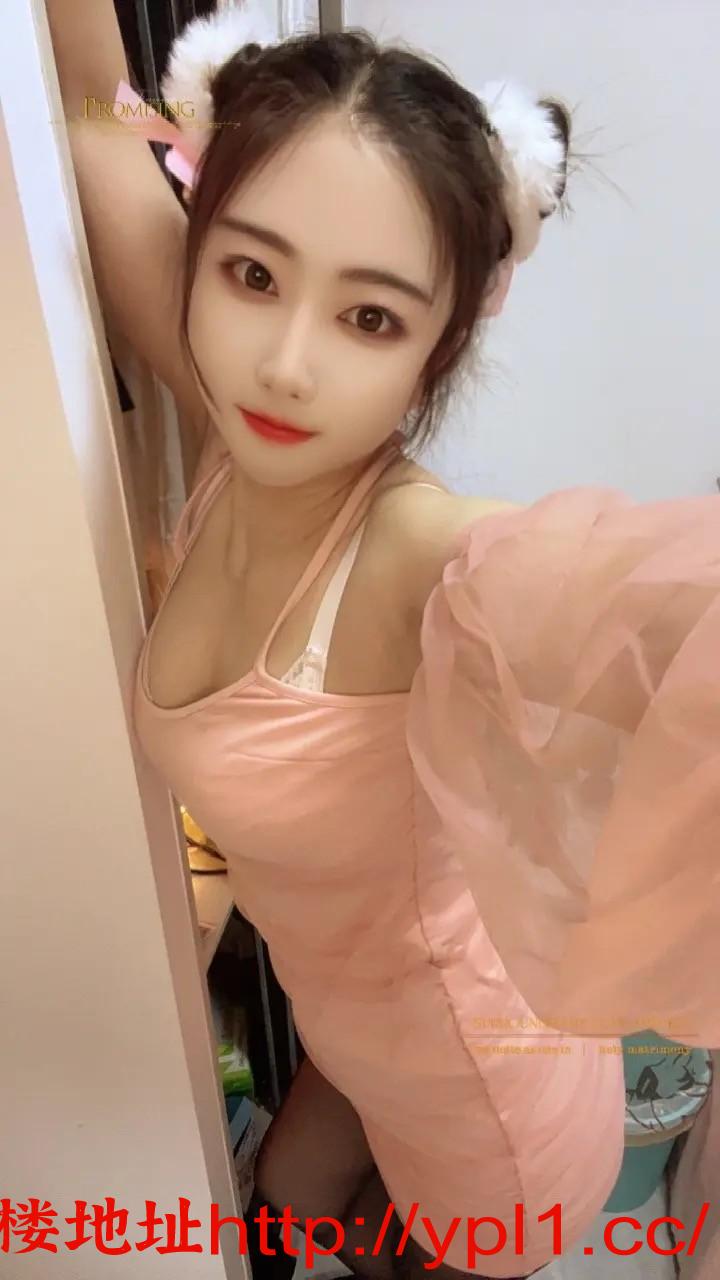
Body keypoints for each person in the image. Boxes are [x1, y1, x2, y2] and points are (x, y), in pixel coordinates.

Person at [47, 3, 720, 1277]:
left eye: (371, 319)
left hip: (486, 1104)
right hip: (358, 1037)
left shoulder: (423, 557)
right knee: (288, 1195)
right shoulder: (235, 425)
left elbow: (655, 610)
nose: (288, 364)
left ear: (439, 347)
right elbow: (88, 117)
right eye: (253, 275)